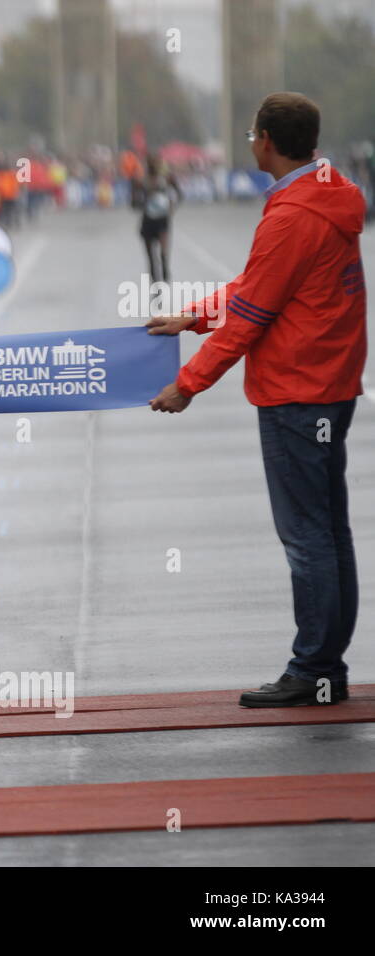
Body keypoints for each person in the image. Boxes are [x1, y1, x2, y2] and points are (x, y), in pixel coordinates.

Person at [147, 92, 366, 708]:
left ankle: (315, 668)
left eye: (252, 134)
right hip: (331, 383)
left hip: (297, 389)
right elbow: (258, 287)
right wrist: (192, 318)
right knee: (328, 531)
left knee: (306, 537)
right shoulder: (326, 196)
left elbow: (253, 315)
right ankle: (327, 668)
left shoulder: (291, 214)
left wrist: (187, 384)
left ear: (266, 140)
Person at [132, 154, 181, 286]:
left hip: (161, 220)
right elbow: (134, 203)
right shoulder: (142, 181)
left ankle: (164, 272)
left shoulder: (165, 179)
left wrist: (171, 207)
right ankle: (156, 282)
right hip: (148, 220)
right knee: (151, 257)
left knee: (162, 253)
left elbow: (179, 193)